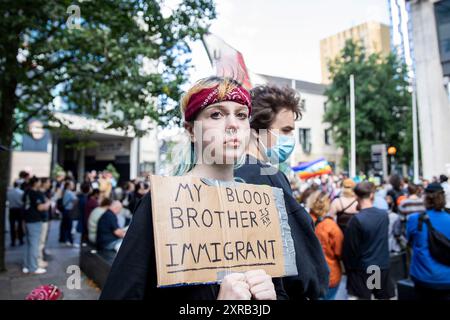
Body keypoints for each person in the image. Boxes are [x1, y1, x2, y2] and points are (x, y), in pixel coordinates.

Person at [101, 77, 284, 300]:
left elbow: (280, 289)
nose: (233, 125)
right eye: (216, 114)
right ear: (190, 130)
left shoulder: (257, 204)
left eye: (241, 115)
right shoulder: (163, 203)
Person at [234, 84, 329, 300]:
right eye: (285, 130)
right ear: (257, 129)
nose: (290, 139)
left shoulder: (232, 172)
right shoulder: (267, 175)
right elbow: (300, 256)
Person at [342, 182, 395, 300]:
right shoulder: (383, 215)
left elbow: (350, 251)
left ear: (356, 197)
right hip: (380, 267)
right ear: (371, 195)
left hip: (363, 270)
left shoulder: (356, 220)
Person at [406, 182, 450, 300]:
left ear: (425, 198)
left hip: (423, 277)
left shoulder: (415, 219)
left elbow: (409, 241)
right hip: (447, 278)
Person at [307, 191, 344, 300]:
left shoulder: (304, 220)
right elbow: (340, 251)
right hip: (330, 276)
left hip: (310, 276)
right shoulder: (331, 226)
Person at [22, 177, 50, 274]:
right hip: (35, 220)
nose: (40, 183)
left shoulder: (27, 192)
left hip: (27, 220)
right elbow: (40, 207)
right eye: (38, 182)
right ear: (35, 183)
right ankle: (33, 267)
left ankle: (26, 266)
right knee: (34, 244)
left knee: (28, 244)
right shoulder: (35, 193)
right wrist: (48, 203)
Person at [37, 178, 52, 268]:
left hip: (46, 218)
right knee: (40, 241)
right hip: (42, 219)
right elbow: (43, 207)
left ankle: (41, 256)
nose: (49, 184)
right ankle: (39, 260)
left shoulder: (45, 192)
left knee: (42, 240)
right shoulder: (40, 193)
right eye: (48, 182)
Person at [59, 180, 78, 247]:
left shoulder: (64, 192)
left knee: (65, 226)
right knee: (69, 226)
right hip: (68, 211)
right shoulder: (70, 193)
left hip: (65, 210)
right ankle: (70, 241)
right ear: (68, 186)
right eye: (71, 184)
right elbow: (76, 200)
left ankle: (65, 239)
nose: (73, 186)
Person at [7, 181, 24, 246]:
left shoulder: (9, 192)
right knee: (20, 225)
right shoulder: (21, 192)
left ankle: (13, 240)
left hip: (12, 209)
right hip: (19, 209)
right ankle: (20, 239)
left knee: (12, 225)